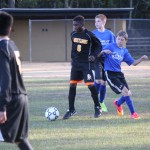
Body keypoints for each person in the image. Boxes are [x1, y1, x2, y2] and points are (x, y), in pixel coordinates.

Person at [0, 11, 33, 149]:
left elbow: (6, 78)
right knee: (21, 139)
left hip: (10, 99)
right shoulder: (11, 45)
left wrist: (2, 106)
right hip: (21, 98)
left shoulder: (2, 48)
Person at [100, 30, 148, 119]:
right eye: (118, 39)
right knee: (126, 91)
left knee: (128, 93)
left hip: (119, 74)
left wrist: (141, 58)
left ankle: (118, 103)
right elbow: (98, 55)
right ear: (116, 38)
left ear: (125, 41)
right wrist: (104, 51)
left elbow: (133, 63)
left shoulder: (124, 51)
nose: (120, 41)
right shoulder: (110, 46)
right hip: (110, 74)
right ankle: (133, 113)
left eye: (122, 40)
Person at [63, 15, 102, 119]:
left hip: (87, 65)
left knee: (90, 85)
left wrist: (93, 55)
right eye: (73, 25)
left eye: (76, 25)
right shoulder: (73, 34)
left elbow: (99, 46)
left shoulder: (89, 35)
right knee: (72, 85)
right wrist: (73, 59)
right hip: (76, 65)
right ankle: (71, 109)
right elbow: (74, 48)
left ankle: (97, 107)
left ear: (81, 24)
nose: (74, 27)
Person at [92, 14, 116, 112]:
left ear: (104, 22)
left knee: (104, 82)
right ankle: (96, 103)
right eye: (95, 21)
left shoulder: (110, 34)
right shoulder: (93, 34)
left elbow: (114, 47)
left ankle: (101, 102)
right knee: (98, 80)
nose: (96, 23)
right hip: (97, 60)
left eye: (98, 21)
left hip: (107, 61)